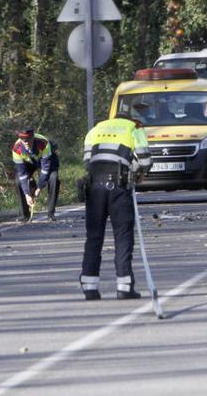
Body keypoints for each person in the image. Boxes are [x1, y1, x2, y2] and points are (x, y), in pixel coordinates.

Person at [79, 112, 152, 300]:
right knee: (122, 236)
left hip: (94, 187)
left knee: (94, 237)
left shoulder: (95, 129)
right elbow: (145, 160)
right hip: (118, 187)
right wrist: (136, 174)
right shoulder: (134, 128)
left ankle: (89, 287)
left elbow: (88, 162)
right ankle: (124, 287)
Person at [11, 129, 59, 221]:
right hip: (28, 162)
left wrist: (40, 187)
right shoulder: (16, 149)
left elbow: (45, 169)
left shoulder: (43, 142)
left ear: (33, 137)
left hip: (46, 159)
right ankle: (25, 215)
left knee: (54, 178)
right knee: (18, 181)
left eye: (28, 139)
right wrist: (26, 194)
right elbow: (22, 173)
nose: (26, 142)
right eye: (22, 139)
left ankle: (51, 213)